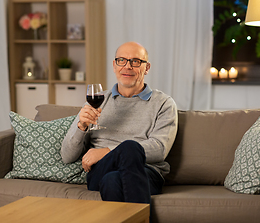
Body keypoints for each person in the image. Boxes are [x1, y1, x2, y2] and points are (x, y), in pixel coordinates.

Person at [61, 41, 178, 204]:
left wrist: (106, 151)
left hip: (147, 172)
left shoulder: (163, 103)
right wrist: (81, 127)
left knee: (113, 180)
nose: (127, 66)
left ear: (147, 68)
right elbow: (67, 156)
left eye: (135, 61)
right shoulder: (96, 101)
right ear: (114, 65)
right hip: (101, 170)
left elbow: (160, 150)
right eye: (121, 60)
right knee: (126, 151)